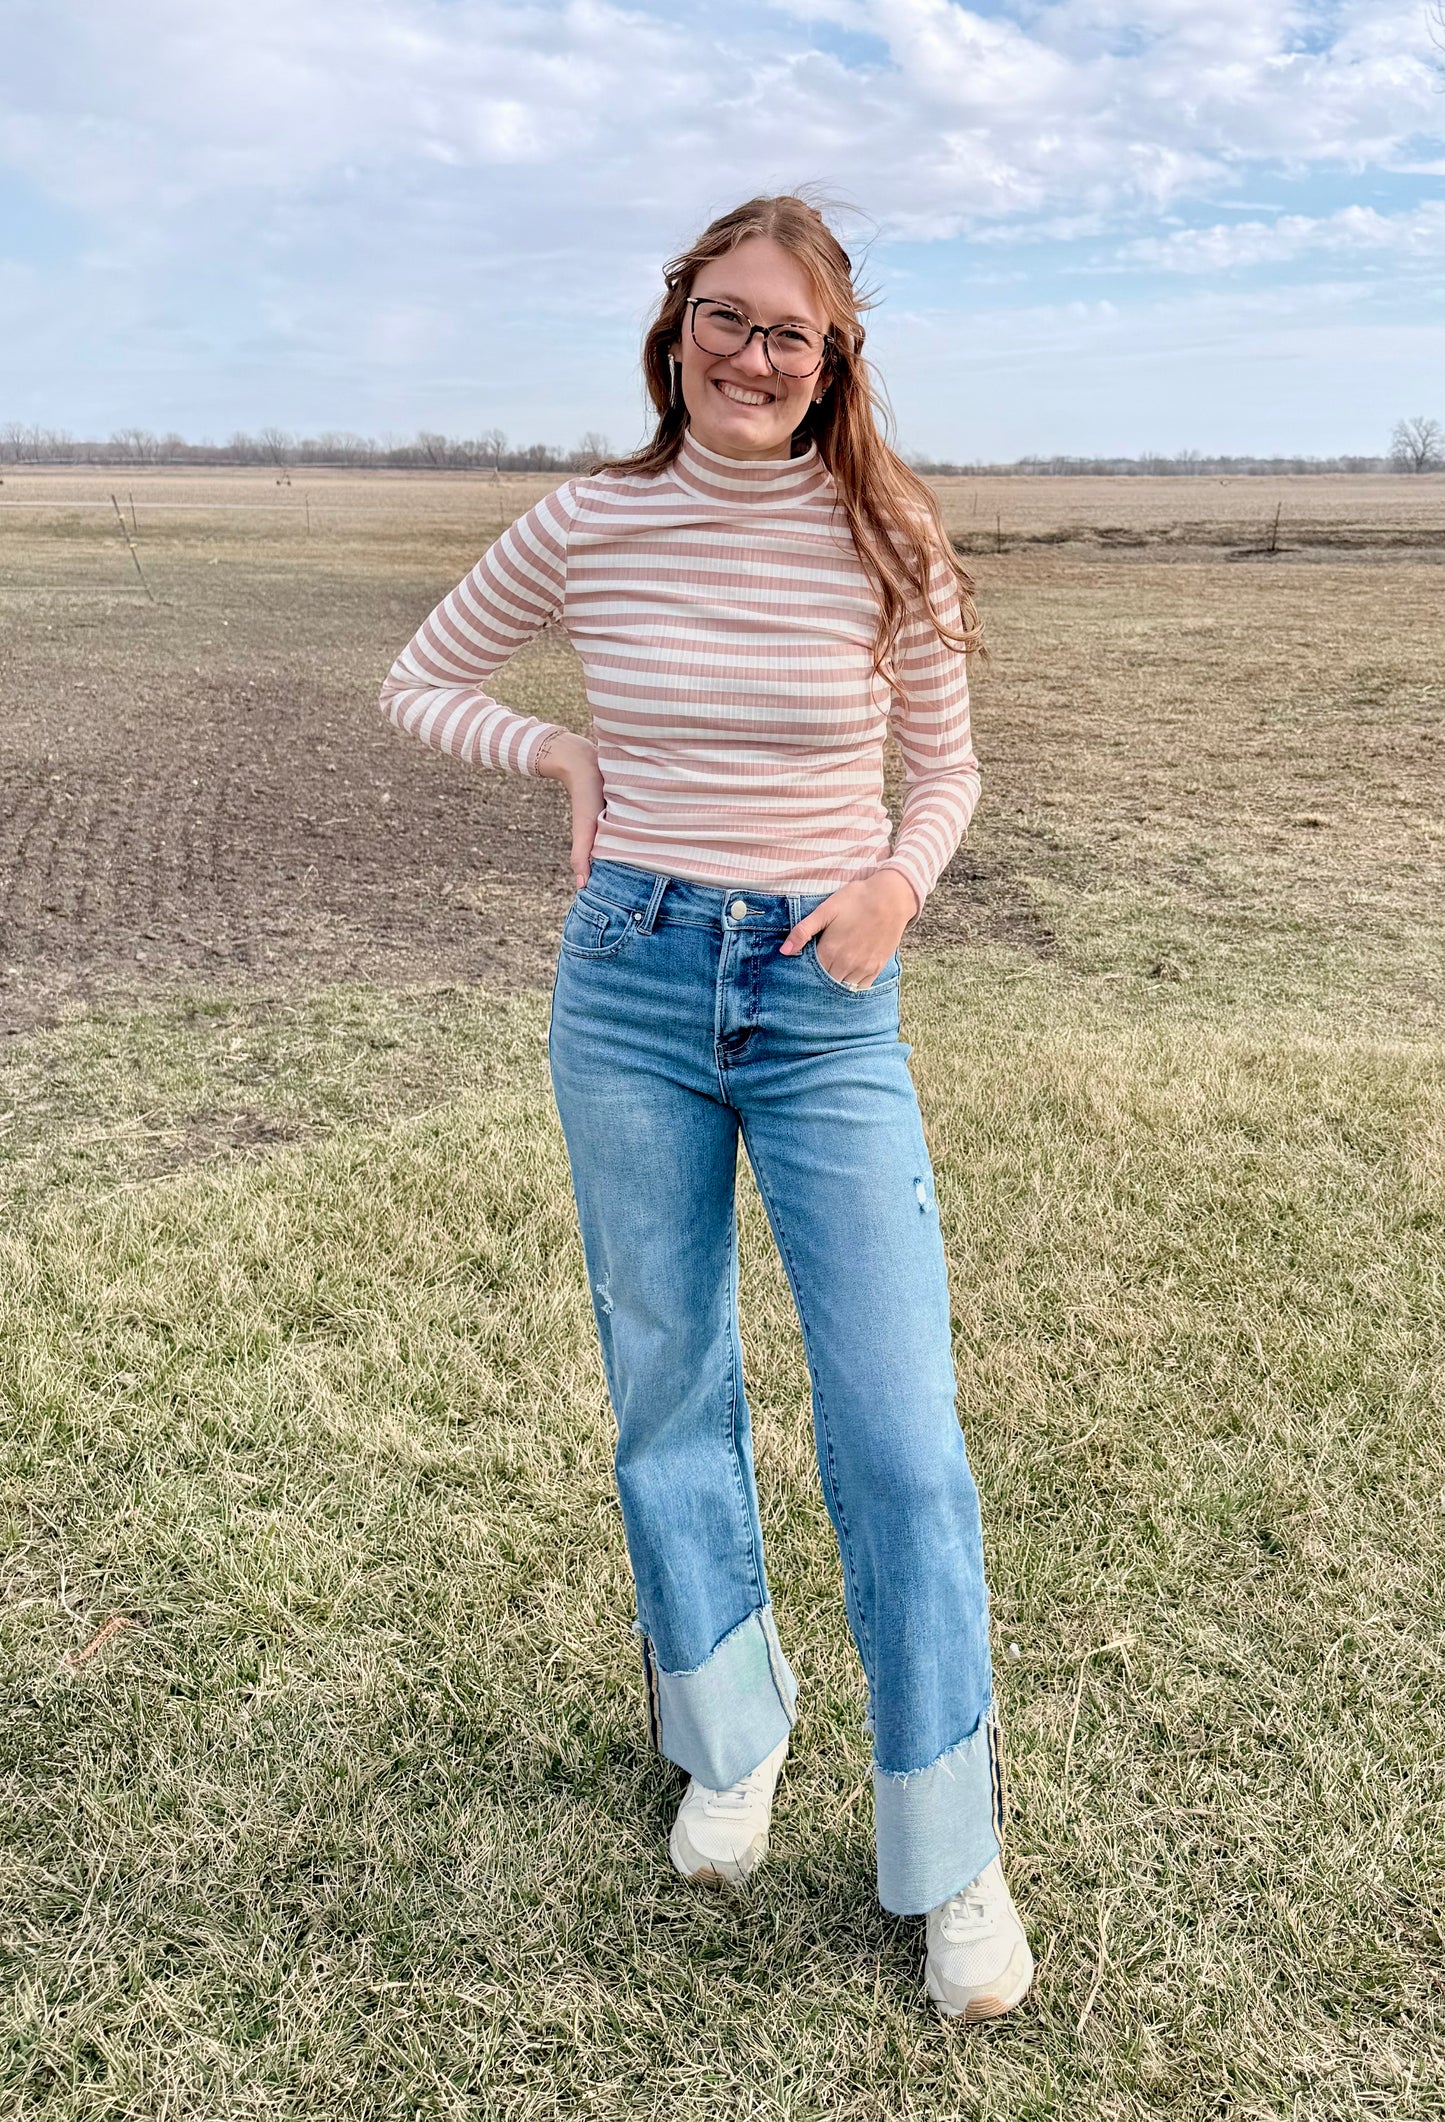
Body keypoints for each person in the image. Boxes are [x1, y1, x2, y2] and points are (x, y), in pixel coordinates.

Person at [378, 193, 1033, 2023]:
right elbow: (419, 675)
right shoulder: (588, 523)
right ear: (675, 328)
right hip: (633, 979)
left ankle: (949, 1847)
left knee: (897, 1428)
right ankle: (731, 1731)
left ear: (834, 366)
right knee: (668, 1382)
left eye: (792, 336)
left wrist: (900, 881)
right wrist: (560, 746)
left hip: (827, 1003)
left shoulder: (883, 528)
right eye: (726, 320)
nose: (755, 358)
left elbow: (948, 766)